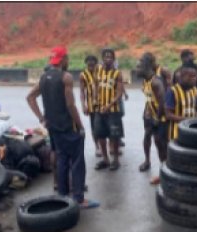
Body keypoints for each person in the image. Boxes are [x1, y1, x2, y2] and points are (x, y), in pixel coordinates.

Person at [27, 46, 98, 210]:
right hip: (68, 127)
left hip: (53, 128)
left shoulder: (44, 78)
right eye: (67, 58)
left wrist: (42, 118)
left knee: (62, 161)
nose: (68, 61)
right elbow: (71, 104)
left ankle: (63, 196)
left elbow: (30, 97)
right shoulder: (65, 77)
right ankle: (79, 199)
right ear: (64, 59)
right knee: (78, 162)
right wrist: (80, 126)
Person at [137, 53, 170, 182]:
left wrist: (157, 118)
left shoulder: (156, 81)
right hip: (150, 115)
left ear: (146, 67)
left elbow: (163, 102)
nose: (136, 70)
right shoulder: (145, 81)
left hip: (160, 118)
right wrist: (147, 111)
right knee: (149, 138)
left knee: (161, 144)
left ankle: (166, 172)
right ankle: (152, 164)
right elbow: (149, 98)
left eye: (139, 67)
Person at [94, 48, 126, 172]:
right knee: (100, 134)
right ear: (102, 58)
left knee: (114, 135)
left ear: (113, 59)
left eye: (110, 57)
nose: (108, 59)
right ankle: (106, 159)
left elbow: (119, 93)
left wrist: (108, 105)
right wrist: (96, 99)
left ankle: (116, 160)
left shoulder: (117, 73)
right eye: (105, 56)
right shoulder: (99, 70)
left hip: (113, 110)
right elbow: (96, 85)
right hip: (100, 109)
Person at [166, 64, 197, 142]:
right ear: (181, 77)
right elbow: (168, 114)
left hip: (192, 131)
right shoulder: (172, 91)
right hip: (176, 133)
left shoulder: (195, 91)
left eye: (195, 76)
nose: (194, 79)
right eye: (190, 76)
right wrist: (188, 120)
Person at [80, 55, 103, 159]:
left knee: (103, 126)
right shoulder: (83, 75)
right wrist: (83, 105)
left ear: (96, 63)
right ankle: (97, 147)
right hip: (91, 105)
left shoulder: (101, 72)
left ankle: (106, 146)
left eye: (92, 62)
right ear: (86, 63)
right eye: (88, 62)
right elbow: (82, 91)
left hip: (103, 104)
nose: (90, 64)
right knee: (94, 127)